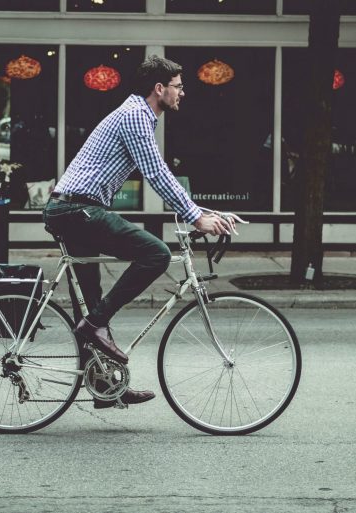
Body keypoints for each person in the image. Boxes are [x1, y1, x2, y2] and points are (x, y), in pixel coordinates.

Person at [42, 55, 233, 409]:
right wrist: (194, 217)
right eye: (178, 86)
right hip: (76, 210)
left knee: (93, 299)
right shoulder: (134, 117)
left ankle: (103, 384)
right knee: (156, 253)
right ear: (159, 88)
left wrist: (207, 213)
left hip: (75, 209)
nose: (183, 93)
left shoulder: (137, 115)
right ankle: (94, 327)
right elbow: (157, 173)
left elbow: (159, 174)